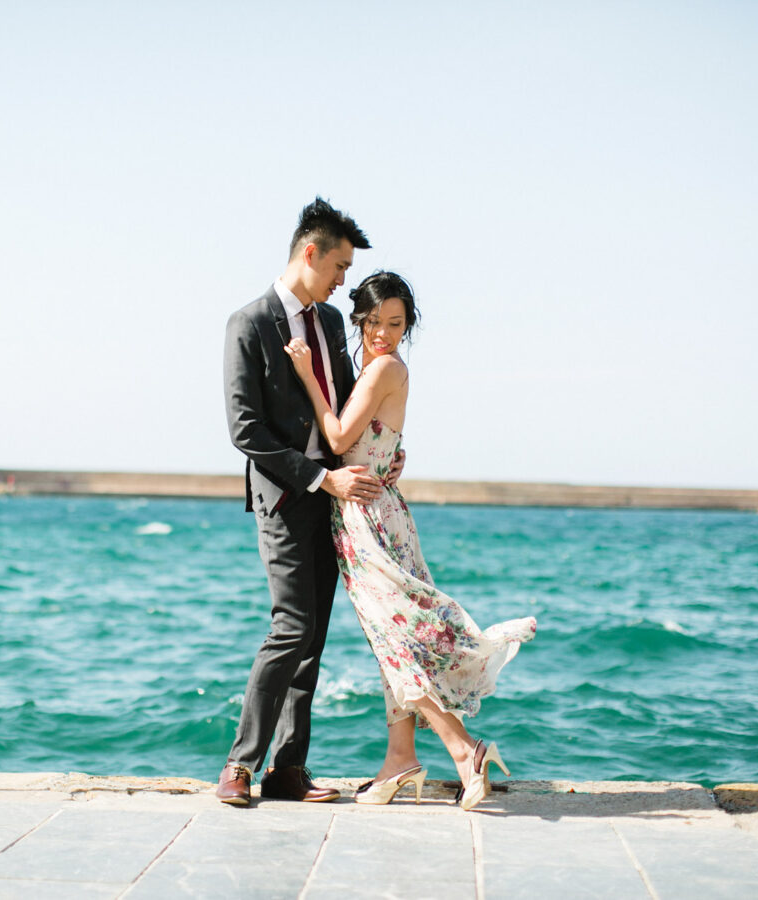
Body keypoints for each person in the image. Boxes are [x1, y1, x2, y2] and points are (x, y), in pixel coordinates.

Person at [284, 271, 538, 811]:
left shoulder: (386, 368)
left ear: (408, 326)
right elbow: (375, 441)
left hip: (368, 520)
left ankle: (464, 749)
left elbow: (335, 437)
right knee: (391, 644)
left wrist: (306, 373)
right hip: (376, 511)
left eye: (395, 324)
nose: (382, 333)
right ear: (360, 319)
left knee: (396, 644)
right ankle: (401, 757)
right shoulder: (379, 368)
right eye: (374, 322)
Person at [217, 198, 402, 807]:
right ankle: (241, 766)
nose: (345, 281)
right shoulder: (248, 323)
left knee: (314, 636)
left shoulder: (326, 324)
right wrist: (323, 481)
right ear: (310, 253)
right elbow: (247, 432)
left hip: (340, 501)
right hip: (287, 498)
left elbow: (347, 406)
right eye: (341, 267)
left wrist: (384, 452)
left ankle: (288, 770)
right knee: (290, 627)